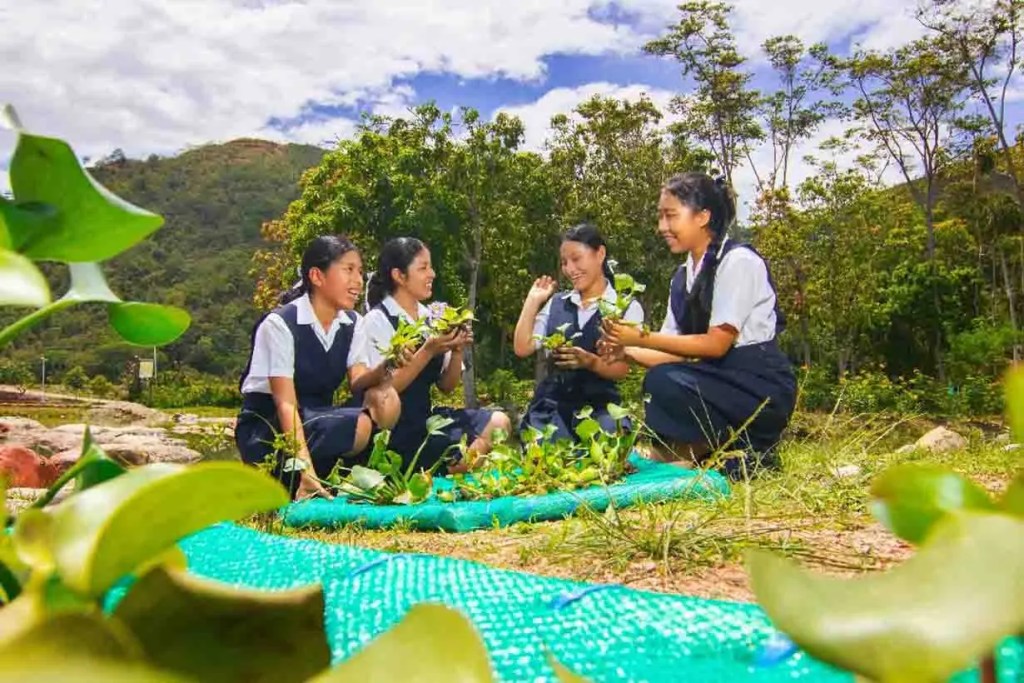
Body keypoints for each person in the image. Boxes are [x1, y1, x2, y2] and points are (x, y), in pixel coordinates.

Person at [600, 172, 796, 477]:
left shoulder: (738, 261)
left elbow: (716, 345)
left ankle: (699, 449)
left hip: (757, 385)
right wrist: (625, 352)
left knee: (663, 380)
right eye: (660, 217)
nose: (661, 227)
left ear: (703, 216)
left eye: (670, 216)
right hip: (717, 381)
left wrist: (638, 336)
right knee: (661, 379)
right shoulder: (681, 278)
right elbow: (671, 351)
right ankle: (709, 450)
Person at [235, 235, 400, 500]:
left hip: (318, 418)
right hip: (269, 430)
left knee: (385, 399)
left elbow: (358, 380)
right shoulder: (280, 324)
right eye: (348, 270)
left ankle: (341, 481)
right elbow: (285, 404)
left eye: (360, 271)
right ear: (317, 276)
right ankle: (303, 480)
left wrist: (387, 368)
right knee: (358, 424)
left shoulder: (352, 322)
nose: (358, 281)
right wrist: (306, 471)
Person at [353, 236, 511, 474]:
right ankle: (436, 470)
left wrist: (457, 351)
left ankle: (448, 471)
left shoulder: (431, 318)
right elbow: (387, 387)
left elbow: (447, 386)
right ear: (399, 276)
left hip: (427, 419)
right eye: (423, 268)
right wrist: (428, 351)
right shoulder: (376, 321)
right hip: (392, 426)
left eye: (431, 267)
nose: (432, 274)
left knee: (499, 423)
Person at [513, 223, 643, 442]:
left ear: (600, 253)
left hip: (601, 406)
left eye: (576, 259)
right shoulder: (556, 304)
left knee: (608, 444)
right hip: (553, 405)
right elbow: (522, 347)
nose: (570, 269)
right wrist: (533, 301)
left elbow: (621, 370)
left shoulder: (625, 307)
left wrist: (591, 362)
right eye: (564, 263)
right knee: (550, 455)